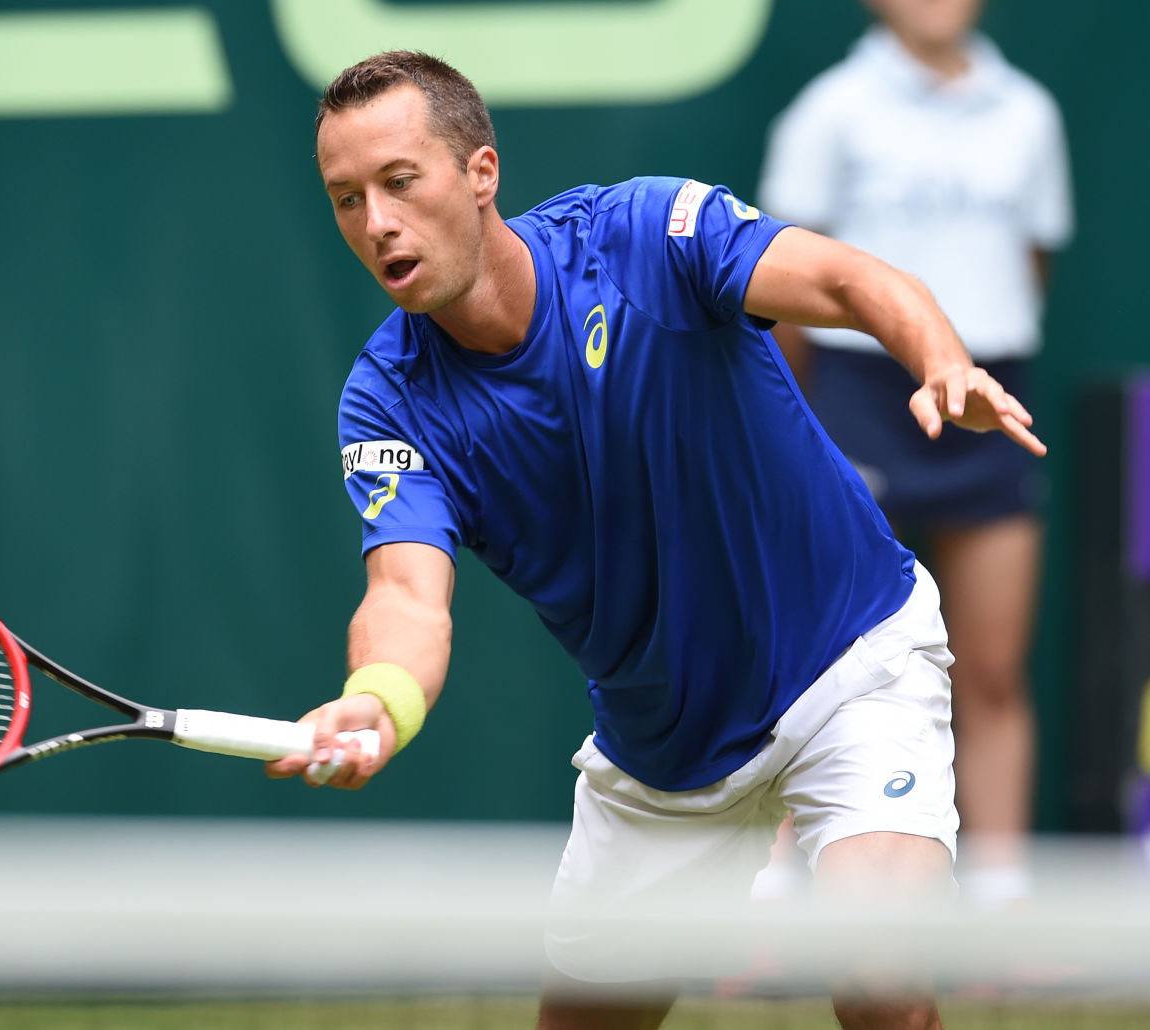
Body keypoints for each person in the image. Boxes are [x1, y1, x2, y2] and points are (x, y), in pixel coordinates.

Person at [265, 50, 1044, 1030]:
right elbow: (408, 598)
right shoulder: (388, 402)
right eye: (346, 199)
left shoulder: (643, 236)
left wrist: (938, 354)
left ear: (479, 174)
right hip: (664, 754)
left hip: (852, 664)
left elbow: (845, 278)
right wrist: (376, 700)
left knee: (881, 979)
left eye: (399, 182)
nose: (375, 223)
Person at [757, 0, 1073, 909]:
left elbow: (1031, 262)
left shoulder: (1029, 114)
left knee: (994, 666)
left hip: (991, 397)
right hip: (860, 401)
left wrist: (967, 364)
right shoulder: (829, 111)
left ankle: (1000, 904)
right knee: (823, 665)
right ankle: (774, 901)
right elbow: (786, 284)